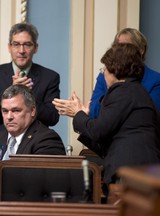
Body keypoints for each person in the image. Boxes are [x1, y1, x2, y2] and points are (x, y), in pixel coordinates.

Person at [52, 43, 160, 190]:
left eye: (104, 69)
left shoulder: (122, 91)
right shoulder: (135, 91)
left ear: (115, 69)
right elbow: (105, 138)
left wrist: (78, 114)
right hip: (141, 171)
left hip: (131, 173)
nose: (103, 74)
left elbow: (98, 131)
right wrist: (85, 116)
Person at [0, 22, 60, 168]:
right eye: (16, 44)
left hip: (33, 148)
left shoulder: (50, 77)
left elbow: (53, 117)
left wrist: (28, 95)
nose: (21, 50)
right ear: (9, 47)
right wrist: (11, 89)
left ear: (35, 48)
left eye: (27, 45)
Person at [0, 84, 66, 180]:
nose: (9, 117)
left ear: (32, 111)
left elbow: (42, 183)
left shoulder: (47, 140)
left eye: (16, 110)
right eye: (5, 111)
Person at [90, 28, 160, 119]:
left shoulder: (155, 80)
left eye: (127, 47)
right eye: (118, 47)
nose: (122, 52)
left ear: (141, 50)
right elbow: (93, 113)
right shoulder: (104, 77)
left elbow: (149, 117)